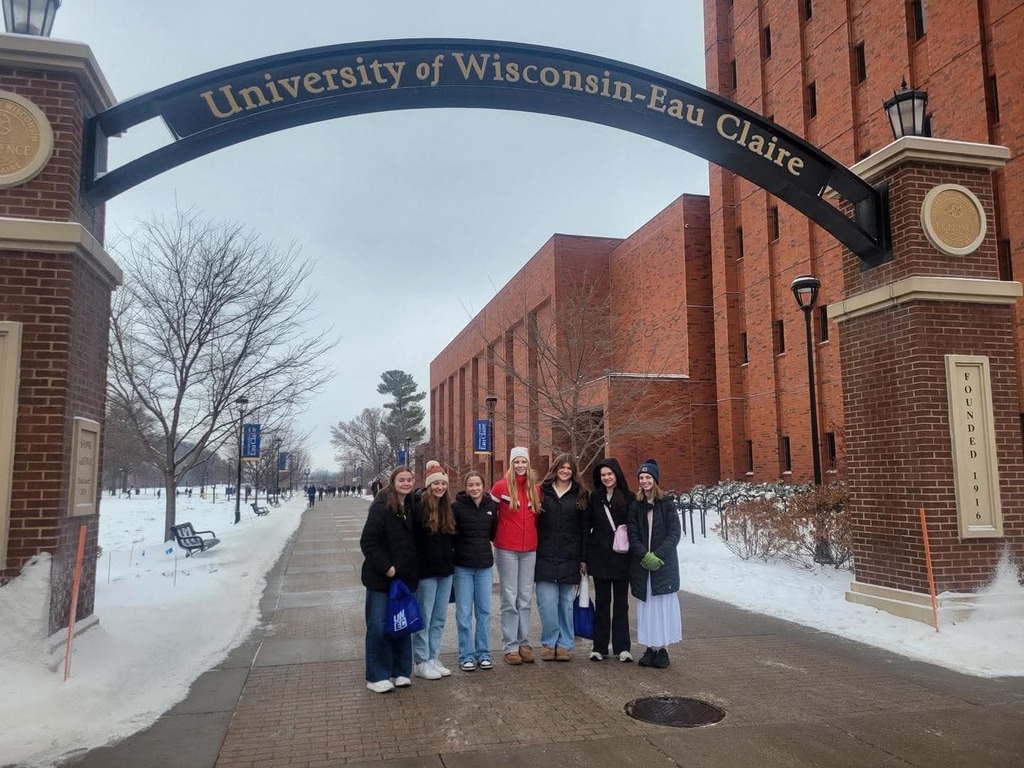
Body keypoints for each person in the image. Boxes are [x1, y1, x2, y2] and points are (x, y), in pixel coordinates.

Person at [359, 466, 419, 693]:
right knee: (378, 625)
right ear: (392, 482)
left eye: (409, 479)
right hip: (383, 579)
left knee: (403, 625)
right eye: (402, 479)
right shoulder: (381, 506)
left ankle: (401, 671)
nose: (406, 483)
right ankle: (377, 675)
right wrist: (387, 568)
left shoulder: (412, 505)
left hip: (406, 578)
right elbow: (368, 542)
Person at [628, 458, 682, 669]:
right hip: (643, 567)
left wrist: (658, 555)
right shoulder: (636, 506)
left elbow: (674, 534)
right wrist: (643, 555)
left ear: (655, 479)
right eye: (641, 478)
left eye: (648, 477)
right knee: (647, 607)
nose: (644, 481)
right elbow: (632, 534)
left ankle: (663, 650)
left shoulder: (667, 504)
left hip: (663, 566)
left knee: (662, 607)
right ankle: (650, 647)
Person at [535, 453, 589, 661]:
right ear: (555, 469)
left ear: (573, 471)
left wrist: (583, 557)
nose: (565, 471)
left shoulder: (581, 494)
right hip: (545, 554)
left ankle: (565, 643)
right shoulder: (542, 492)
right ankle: (549, 642)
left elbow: (585, 528)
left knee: (566, 604)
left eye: (569, 468)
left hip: (570, 555)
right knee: (547, 603)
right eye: (562, 467)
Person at [490, 446, 541, 665]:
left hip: (529, 549)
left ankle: (523, 642)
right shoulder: (500, 487)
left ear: (528, 464)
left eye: (524, 462)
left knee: (525, 597)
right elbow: (491, 517)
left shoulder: (536, 490)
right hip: (506, 549)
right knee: (509, 598)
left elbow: (536, 519)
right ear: (511, 465)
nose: (520, 466)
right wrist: (497, 539)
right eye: (516, 462)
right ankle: (510, 645)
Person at [583, 457, 633, 662]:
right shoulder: (594, 497)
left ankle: (622, 647)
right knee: (603, 602)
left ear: (617, 474)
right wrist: (584, 557)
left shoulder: (629, 497)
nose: (606, 478)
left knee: (621, 603)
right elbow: (586, 527)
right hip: (600, 557)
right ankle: (599, 646)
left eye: (609, 474)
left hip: (622, 556)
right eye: (603, 475)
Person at [410, 465, 457, 680]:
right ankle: (421, 660)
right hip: (426, 572)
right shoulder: (419, 508)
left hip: (446, 571)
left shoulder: (448, 507)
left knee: (439, 618)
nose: (440, 487)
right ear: (429, 485)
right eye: (436, 483)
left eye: (443, 483)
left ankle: (433, 656)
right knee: (425, 617)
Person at [452, 470, 498, 671]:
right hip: (462, 567)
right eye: (470, 485)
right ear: (466, 487)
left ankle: (483, 653)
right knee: (463, 613)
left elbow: (494, 533)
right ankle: (466, 655)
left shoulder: (492, 507)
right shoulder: (456, 507)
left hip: (484, 568)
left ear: (483, 486)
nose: (474, 488)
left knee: (484, 611)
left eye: (477, 484)